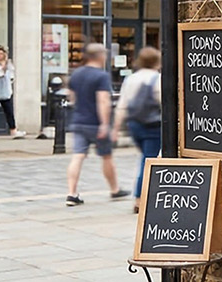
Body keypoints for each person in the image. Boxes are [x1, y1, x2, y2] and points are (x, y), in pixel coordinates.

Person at [65, 42, 125, 206]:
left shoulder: (76, 74)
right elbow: (103, 101)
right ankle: (114, 189)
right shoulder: (101, 76)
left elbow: (71, 97)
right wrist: (105, 124)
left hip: (78, 121)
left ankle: (71, 193)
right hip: (95, 123)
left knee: (77, 156)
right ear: (100, 57)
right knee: (106, 156)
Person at [116, 46, 163, 214]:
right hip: (152, 126)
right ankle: (139, 198)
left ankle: (147, 194)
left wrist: (115, 128)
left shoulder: (131, 79)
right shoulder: (157, 79)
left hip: (134, 125)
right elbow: (163, 102)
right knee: (147, 161)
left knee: (145, 159)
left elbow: (122, 105)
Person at [0, 46, 27, 139]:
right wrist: (3, 68)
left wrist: (7, 67)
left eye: (1, 54)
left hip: (5, 91)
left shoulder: (9, 65)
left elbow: (11, 76)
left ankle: (13, 129)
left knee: (9, 111)